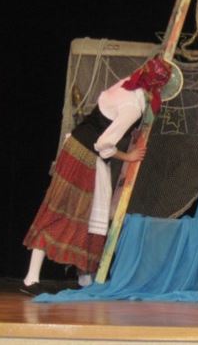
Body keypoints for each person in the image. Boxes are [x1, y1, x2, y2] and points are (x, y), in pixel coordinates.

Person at [21, 56, 172, 296]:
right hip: (87, 158)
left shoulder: (127, 84)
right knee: (72, 212)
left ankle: (81, 278)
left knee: (80, 212)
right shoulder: (133, 106)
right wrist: (129, 156)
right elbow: (103, 144)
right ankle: (33, 279)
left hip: (76, 149)